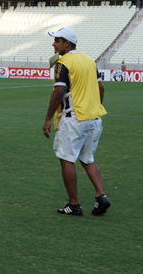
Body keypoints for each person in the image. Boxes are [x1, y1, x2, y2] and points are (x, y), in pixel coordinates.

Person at [42, 27, 110, 217]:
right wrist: (95, 107)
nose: (54, 44)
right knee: (88, 158)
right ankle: (101, 195)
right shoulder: (89, 61)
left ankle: (74, 204)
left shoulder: (63, 63)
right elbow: (101, 88)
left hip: (74, 118)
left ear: (67, 43)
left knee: (66, 159)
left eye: (57, 41)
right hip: (94, 118)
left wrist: (48, 118)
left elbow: (58, 91)